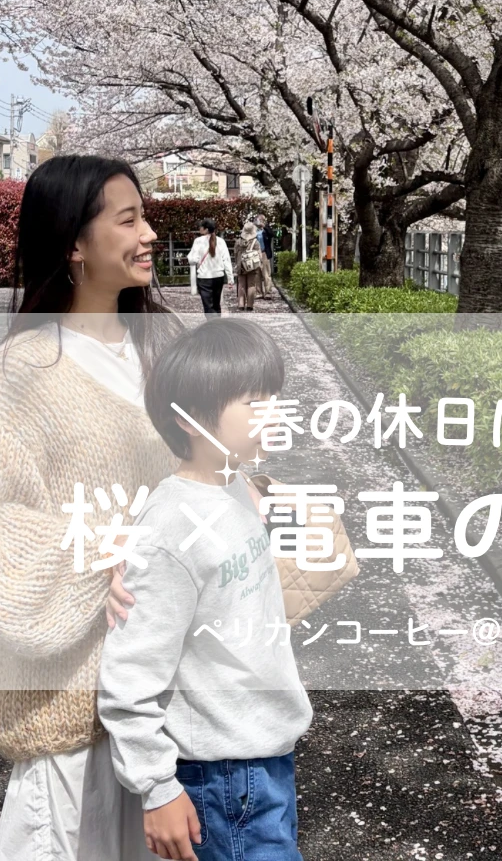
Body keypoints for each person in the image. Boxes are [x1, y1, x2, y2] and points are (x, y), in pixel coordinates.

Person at [0, 154, 182, 861]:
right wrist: (113, 547)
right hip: (74, 712)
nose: (148, 235)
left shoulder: (160, 349)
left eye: (147, 216)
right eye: (128, 218)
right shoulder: (25, 372)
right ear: (74, 243)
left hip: (160, 704)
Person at [100, 318, 313, 861]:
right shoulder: (171, 530)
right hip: (222, 777)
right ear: (192, 422)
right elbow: (128, 679)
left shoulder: (235, 484)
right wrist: (157, 788)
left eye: (274, 398)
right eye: (253, 402)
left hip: (264, 754)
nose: (273, 414)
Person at [186, 218, 233, 316]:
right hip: (218, 276)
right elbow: (227, 260)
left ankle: (211, 326)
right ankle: (217, 325)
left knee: (208, 306)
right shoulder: (221, 241)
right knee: (216, 304)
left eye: (201, 227)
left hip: (204, 277)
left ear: (206, 229)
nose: (199, 228)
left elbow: (192, 259)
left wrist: (192, 258)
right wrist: (230, 278)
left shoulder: (198, 241)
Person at [233, 221, 265, 312]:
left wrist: (237, 262)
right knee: (251, 285)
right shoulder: (255, 242)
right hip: (252, 266)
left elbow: (235, 253)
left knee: (241, 285)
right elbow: (259, 255)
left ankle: (241, 304)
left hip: (241, 265)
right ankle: (250, 305)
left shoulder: (238, 242)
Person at [255, 213, 276, 299]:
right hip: (255, 253)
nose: (259, 221)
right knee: (257, 273)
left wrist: (265, 226)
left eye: (261, 220)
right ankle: (259, 292)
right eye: (258, 219)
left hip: (264, 253)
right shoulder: (254, 230)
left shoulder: (266, 230)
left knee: (266, 273)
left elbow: (272, 234)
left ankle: (268, 292)